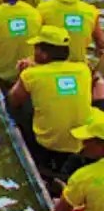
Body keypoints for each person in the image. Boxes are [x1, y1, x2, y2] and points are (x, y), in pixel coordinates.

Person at [7, 25, 93, 171]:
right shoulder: (83, 69)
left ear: (44, 54)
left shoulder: (31, 75)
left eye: (36, 48)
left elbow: (13, 101)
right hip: (78, 142)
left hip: (45, 143)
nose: (33, 52)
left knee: (15, 101)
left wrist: (21, 75)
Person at [51, 109, 104, 211]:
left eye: (87, 140)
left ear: (100, 144)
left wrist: (64, 200)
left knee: (60, 206)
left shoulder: (85, 176)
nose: (82, 144)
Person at [38, 0, 104, 64]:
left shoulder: (42, 10)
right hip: (80, 72)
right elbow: (101, 44)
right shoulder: (91, 12)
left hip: (50, 68)